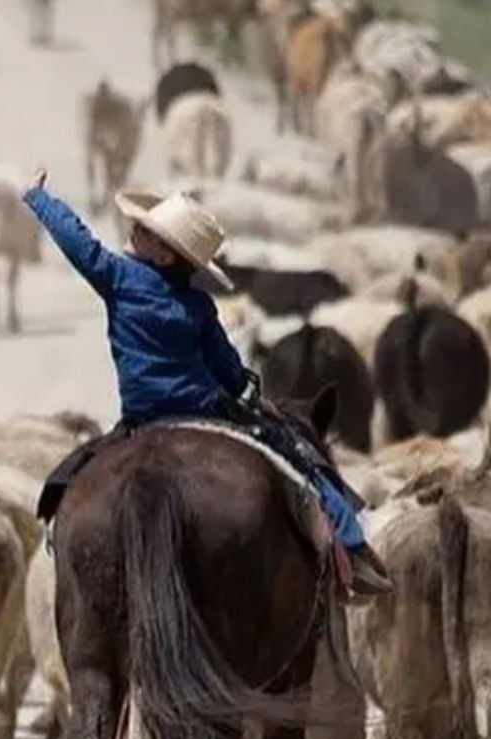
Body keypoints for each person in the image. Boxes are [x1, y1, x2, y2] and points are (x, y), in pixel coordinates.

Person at [22, 172, 392, 596]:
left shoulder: (119, 280)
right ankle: (353, 550)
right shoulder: (198, 305)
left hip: (140, 419)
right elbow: (230, 373)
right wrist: (248, 393)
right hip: (206, 413)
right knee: (303, 461)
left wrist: (40, 199)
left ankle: (57, 544)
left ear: (166, 255)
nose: (135, 228)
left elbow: (79, 243)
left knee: (69, 480)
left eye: (147, 230)